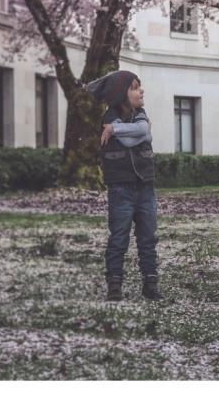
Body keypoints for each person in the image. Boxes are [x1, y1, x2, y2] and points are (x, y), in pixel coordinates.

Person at [85, 70, 163, 301]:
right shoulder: (110, 115)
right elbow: (132, 138)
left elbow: (142, 131)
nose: (141, 91)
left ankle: (150, 284)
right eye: (135, 87)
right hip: (121, 189)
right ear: (121, 93)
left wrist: (117, 130)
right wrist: (139, 132)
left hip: (145, 187)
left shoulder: (140, 114)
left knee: (148, 238)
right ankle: (114, 284)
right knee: (119, 238)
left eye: (140, 86)